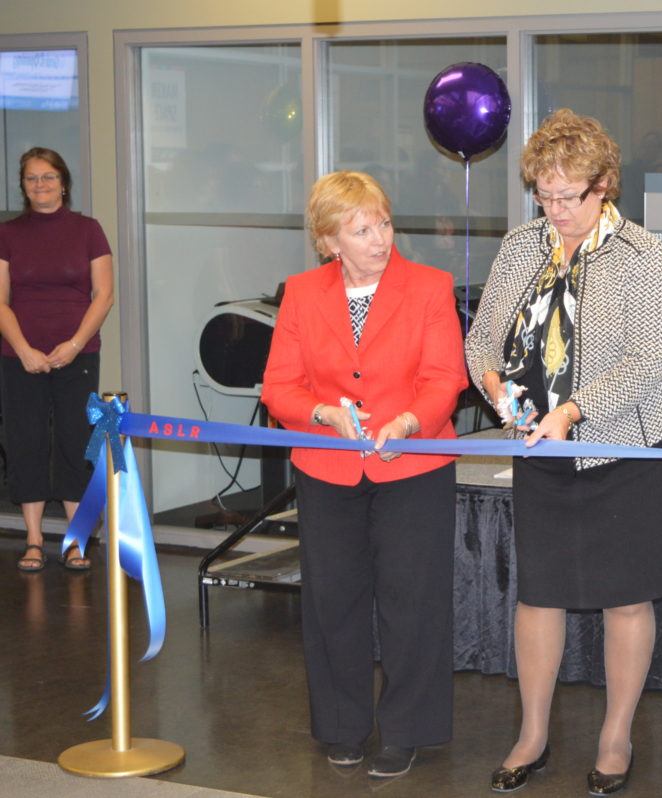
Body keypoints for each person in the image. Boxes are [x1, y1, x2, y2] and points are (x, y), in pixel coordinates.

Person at [464, 109, 662, 796]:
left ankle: (615, 735)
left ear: (605, 186)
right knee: (539, 594)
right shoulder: (520, 246)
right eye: (544, 192)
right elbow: (481, 339)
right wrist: (494, 390)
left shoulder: (643, 255)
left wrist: (572, 410)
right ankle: (532, 734)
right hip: (541, 449)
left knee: (625, 599)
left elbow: (647, 363)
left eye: (570, 195)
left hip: (625, 447)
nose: (556, 208)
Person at [261, 170, 466, 778]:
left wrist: (407, 422)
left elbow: (444, 379)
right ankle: (342, 726)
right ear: (329, 241)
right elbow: (280, 386)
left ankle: (408, 730)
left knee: (413, 600)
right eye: (361, 229)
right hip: (327, 468)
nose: (379, 238)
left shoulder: (430, 286)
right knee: (333, 600)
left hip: (414, 464)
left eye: (383, 223)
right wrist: (322, 411)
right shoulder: (301, 293)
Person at [0, 147, 114, 573]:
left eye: (48, 177)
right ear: (23, 185)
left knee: (74, 443)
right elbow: (1, 301)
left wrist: (74, 343)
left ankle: (74, 539)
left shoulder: (88, 230)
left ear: (63, 183)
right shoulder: (8, 234)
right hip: (19, 357)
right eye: (32, 178)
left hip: (78, 354)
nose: (40, 185)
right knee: (25, 441)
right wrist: (25, 350)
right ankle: (32, 539)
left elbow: (104, 295)